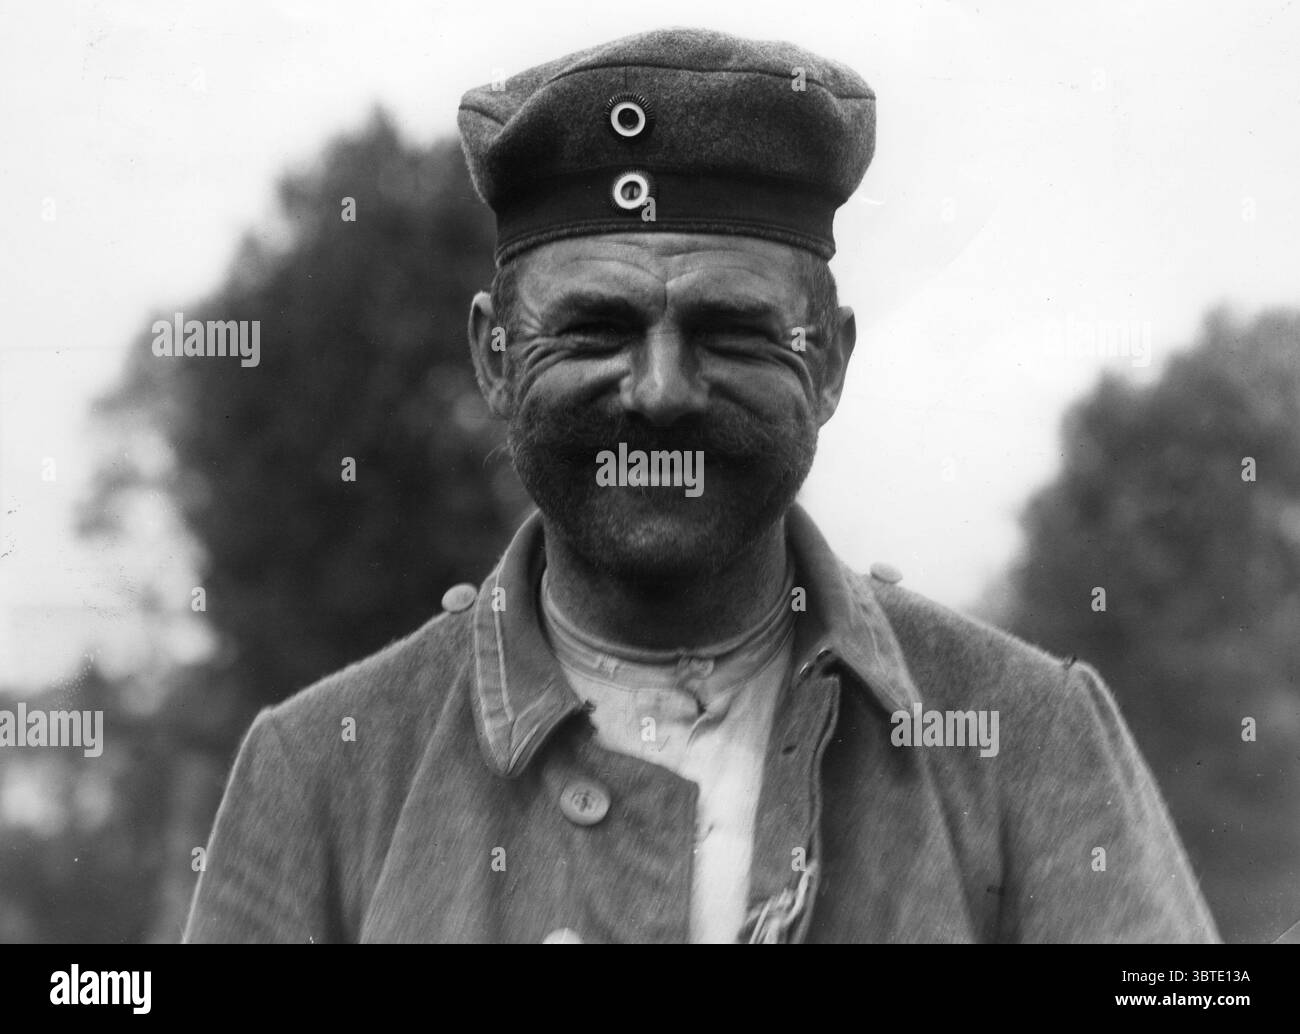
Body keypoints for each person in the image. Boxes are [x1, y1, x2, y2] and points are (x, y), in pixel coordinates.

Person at [184, 26, 1219, 944]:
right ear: (496, 358)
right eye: (597, 330)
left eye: (731, 331)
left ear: (827, 366)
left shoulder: (1028, 735)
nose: (662, 391)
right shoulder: (320, 771)